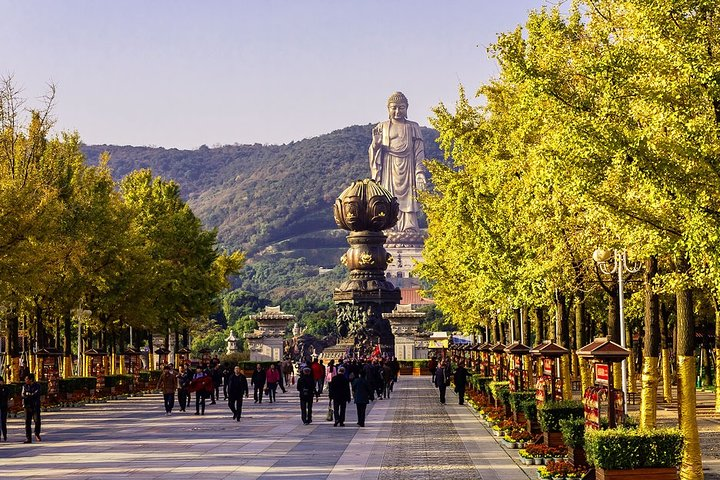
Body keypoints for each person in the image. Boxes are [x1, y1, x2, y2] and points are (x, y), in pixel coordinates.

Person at [368, 91, 428, 232]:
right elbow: (373, 152)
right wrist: (376, 145)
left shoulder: (413, 127)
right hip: (388, 166)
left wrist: (420, 172)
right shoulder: (382, 127)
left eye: (401, 107)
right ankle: (389, 224)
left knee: (408, 196)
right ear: (388, 109)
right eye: (394, 107)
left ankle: (410, 226)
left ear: (407, 108)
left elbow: (419, 152)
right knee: (389, 196)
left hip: (408, 165)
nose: (397, 111)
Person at [21, 374, 41, 443]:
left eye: (27, 379)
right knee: (27, 422)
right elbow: (23, 395)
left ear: (31, 379)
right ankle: (28, 438)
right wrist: (30, 395)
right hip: (27, 406)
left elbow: (36, 394)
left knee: (37, 421)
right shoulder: (24, 386)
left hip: (35, 406)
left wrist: (28, 394)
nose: (25, 380)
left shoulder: (37, 386)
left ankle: (37, 433)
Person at [0, 376, 9, 441]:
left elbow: (6, 395)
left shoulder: (5, 388)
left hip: (3, 407)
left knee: (3, 422)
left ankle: (5, 435)